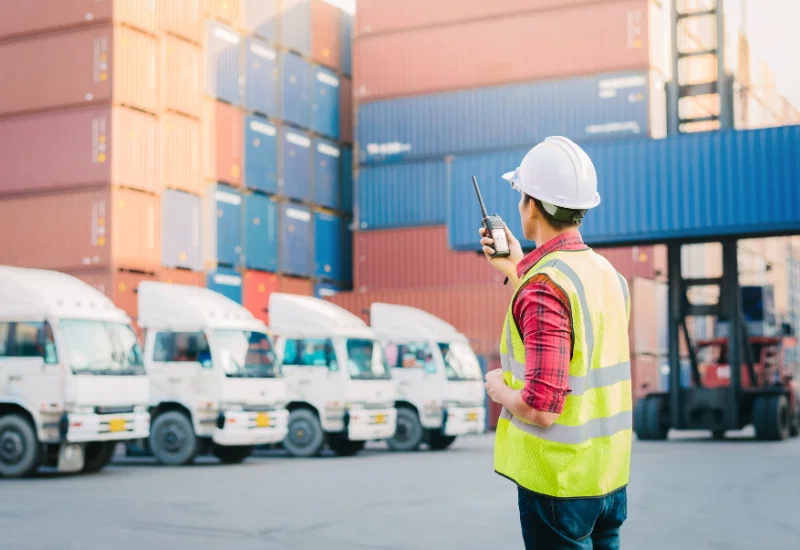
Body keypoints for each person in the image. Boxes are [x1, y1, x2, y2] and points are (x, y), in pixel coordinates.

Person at [480, 136, 632, 550]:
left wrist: (499, 390)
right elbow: (572, 337)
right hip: (607, 480)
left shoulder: (544, 286)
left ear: (531, 204)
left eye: (522, 196)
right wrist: (514, 267)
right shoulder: (607, 275)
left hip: (559, 486)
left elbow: (541, 408)